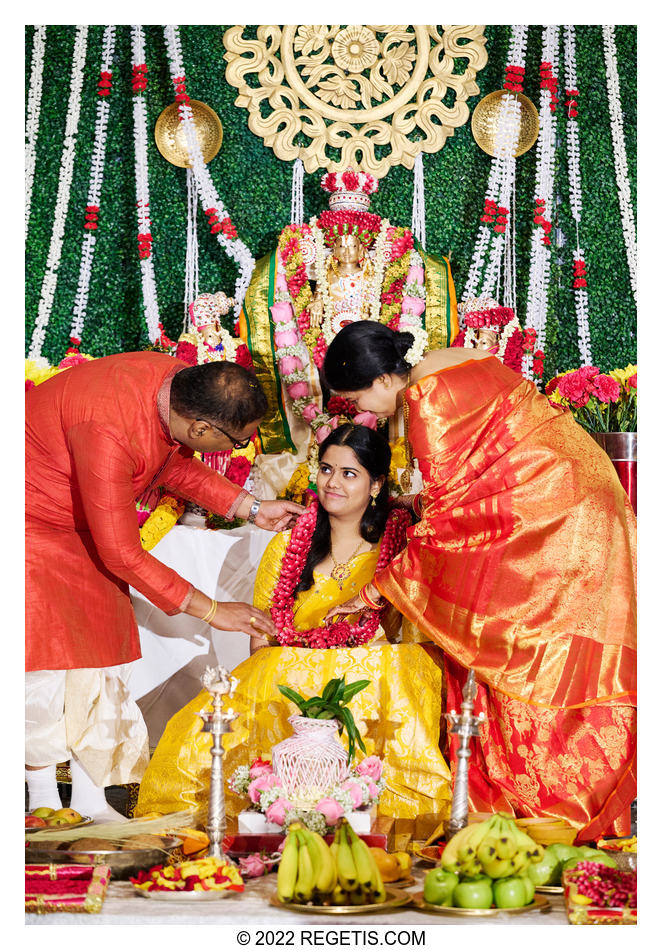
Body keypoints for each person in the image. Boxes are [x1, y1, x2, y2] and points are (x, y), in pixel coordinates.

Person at [321, 321, 636, 843]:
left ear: (381, 379)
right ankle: (587, 800)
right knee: (565, 649)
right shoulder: (455, 359)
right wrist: (420, 504)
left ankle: (542, 812)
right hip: (583, 498)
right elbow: (492, 465)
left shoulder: (425, 400)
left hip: (547, 519)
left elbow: (448, 526)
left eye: (359, 399)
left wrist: (372, 591)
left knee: (515, 648)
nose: (366, 414)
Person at [26, 350, 303, 820]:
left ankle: (93, 798)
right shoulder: (108, 430)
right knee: (48, 663)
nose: (235, 450)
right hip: (31, 522)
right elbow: (122, 553)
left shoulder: (169, 384)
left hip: (83, 525)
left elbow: (165, 465)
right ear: (201, 429)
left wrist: (251, 508)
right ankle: (43, 801)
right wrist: (215, 611)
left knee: (104, 653)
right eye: (236, 442)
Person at [135, 424, 452, 824]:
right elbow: (264, 641)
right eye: (325, 469)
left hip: (369, 686)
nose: (332, 482)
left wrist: (407, 502)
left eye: (349, 473)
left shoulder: (401, 549)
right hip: (288, 683)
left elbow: (454, 512)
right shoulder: (287, 546)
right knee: (197, 733)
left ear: (376, 485)